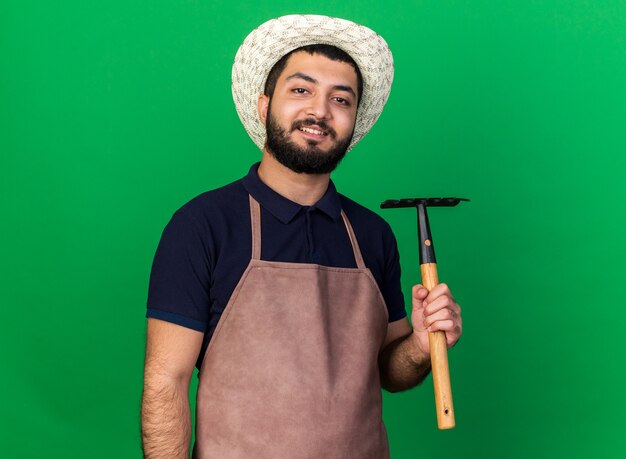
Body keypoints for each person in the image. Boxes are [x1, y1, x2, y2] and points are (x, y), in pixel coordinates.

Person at [141, 14, 463, 459]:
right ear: (263, 105)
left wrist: (421, 344)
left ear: (353, 122)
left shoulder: (373, 235)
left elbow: (390, 371)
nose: (319, 111)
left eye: (341, 99)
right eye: (301, 90)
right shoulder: (203, 225)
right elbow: (165, 383)